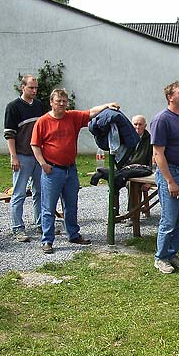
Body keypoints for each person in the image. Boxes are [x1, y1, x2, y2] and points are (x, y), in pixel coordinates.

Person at [31, 89, 120, 254]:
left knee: (71, 205)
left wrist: (107, 105)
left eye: (64, 101)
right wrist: (43, 164)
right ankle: (47, 240)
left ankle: (73, 234)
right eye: (59, 101)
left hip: (70, 169)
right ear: (51, 102)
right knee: (48, 207)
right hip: (52, 170)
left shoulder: (72, 116)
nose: (62, 104)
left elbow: (91, 113)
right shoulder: (43, 121)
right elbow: (35, 145)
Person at [150, 81, 179, 274]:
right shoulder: (162, 119)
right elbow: (158, 154)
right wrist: (170, 181)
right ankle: (160, 258)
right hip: (171, 173)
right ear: (171, 97)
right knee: (169, 220)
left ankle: (172, 253)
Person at [4, 75, 47, 242]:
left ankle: (40, 223)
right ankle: (18, 228)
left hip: (38, 155)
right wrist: (14, 156)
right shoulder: (13, 107)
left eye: (36, 88)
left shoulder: (39, 105)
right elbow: (9, 134)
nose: (34, 91)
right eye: (31, 88)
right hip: (22, 155)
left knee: (40, 191)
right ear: (23, 87)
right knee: (19, 192)